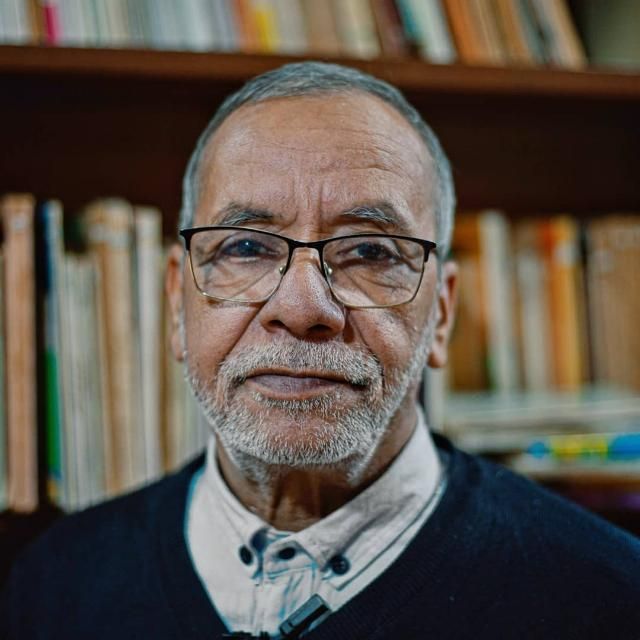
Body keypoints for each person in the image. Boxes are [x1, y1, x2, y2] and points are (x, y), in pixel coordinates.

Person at [2, 62, 639, 640]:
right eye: (245, 247)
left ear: (441, 313)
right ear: (177, 302)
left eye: (370, 252)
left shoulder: (611, 600)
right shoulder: (54, 589)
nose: (303, 308)